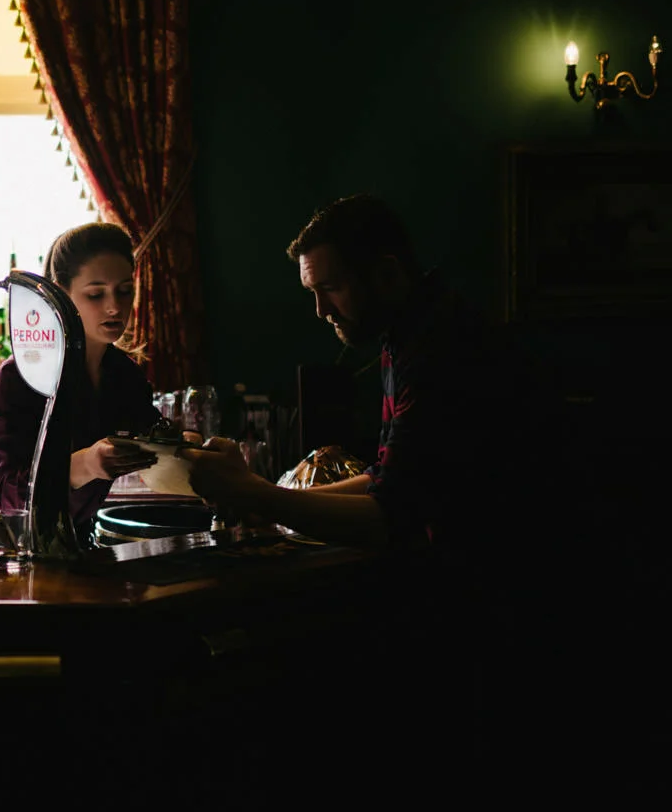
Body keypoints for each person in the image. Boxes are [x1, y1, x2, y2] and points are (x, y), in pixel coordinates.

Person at [183, 193, 542, 559]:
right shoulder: (408, 330)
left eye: (331, 288)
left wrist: (255, 494)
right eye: (313, 293)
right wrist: (265, 497)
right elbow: (385, 479)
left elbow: (386, 518)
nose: (322, 311)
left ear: (386, 274)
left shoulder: (444, 347)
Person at [0, 222, 162, 531]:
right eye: (96, 294)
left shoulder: (125, 376)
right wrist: (84, 465)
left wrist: (184, 448)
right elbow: (6, 491)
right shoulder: (21, 376)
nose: (115, 307)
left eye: (125, 291)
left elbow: (153, 436)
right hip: (6, 547)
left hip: (75, 540)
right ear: (61, 294)